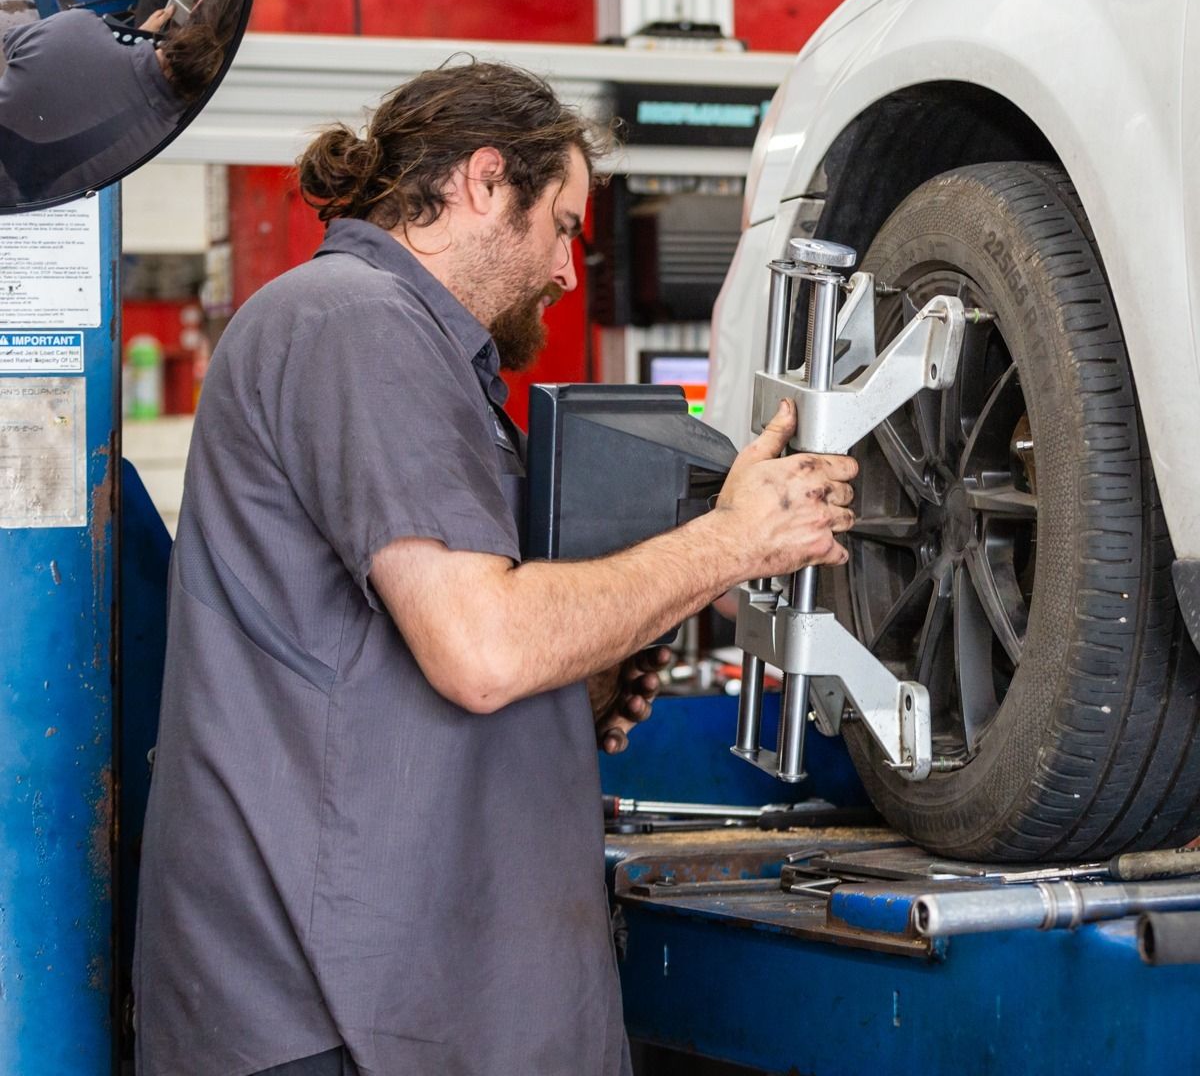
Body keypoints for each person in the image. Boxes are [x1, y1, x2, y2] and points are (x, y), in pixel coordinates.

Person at [132, 59, 858, 1076]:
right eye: (564, 224)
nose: (569, 271)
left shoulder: (414, 352)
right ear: (482, 182)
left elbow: (411, 658)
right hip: (332, 1015)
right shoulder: (355, 322)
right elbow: (480, 646)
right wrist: (732, 541)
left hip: (398, 998)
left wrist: (591, 669)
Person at [0, 0, 245, 205]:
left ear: (197, 7)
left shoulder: (76, 28)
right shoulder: (172, 145)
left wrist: (130, 43)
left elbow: (12, 42)